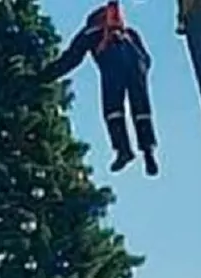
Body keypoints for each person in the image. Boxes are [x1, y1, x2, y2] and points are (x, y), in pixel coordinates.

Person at [37, 1, 159, 176]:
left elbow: (71, 58)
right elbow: (147, 58)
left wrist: (43, 77)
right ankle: (148, 152)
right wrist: (143, 70)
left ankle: (123, 150)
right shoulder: (130, 33)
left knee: (113, 110)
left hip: (113, 65)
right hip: (136, 65)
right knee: (141, 109)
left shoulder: (91, 32)